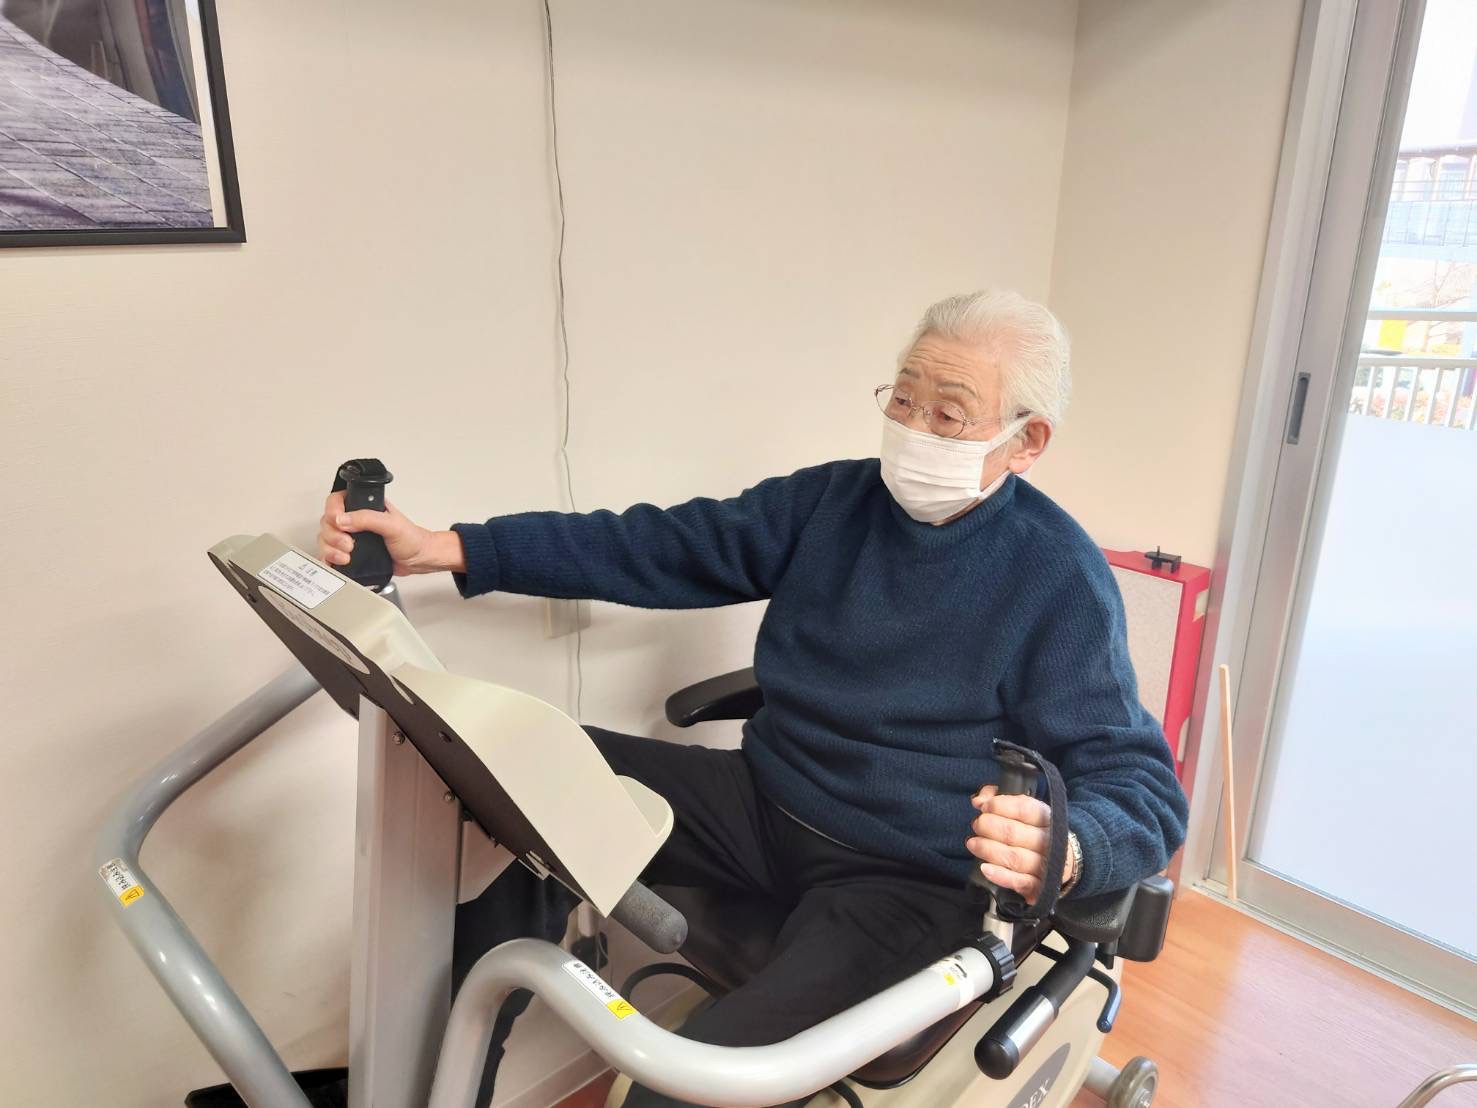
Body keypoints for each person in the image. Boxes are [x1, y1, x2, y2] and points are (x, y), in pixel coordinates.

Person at [317, 289, 1189, 1108]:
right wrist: (451, 548)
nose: (914, 429)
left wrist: (1069, 850)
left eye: (949, 414)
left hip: (908, 874)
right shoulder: (833, 501)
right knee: (517, 769)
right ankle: (435, 1085)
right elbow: (657, 546)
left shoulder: (1055, 575)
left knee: (690, 1088)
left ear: (1025, 442)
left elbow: (1143, 788)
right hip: (764, 803)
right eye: (903, 399)